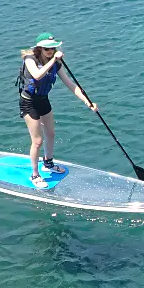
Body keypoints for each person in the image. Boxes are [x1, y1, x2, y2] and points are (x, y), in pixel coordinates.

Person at [18, 33, 97, 189]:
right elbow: (37, 75)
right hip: (29, 102)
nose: (51, 51)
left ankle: (48, 163)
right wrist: (54, 59)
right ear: (40, 48)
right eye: (47, 49)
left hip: (43, 100)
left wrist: (88, 102)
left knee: (51, 134)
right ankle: (35, 174)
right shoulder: (30, 60)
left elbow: (71, 85)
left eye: (53, 49)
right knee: (37, 141)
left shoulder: (56, 64)